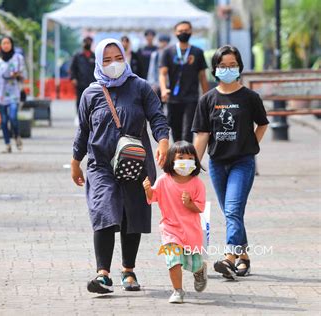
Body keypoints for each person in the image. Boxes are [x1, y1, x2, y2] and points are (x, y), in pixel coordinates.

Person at [71, 38, 169, 294]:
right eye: (106, 59)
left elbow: (157, 117)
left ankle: (128, 270)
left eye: (117, 58)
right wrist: (75, 163)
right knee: (104, 210)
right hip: (100, 163)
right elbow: (83, 131)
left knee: (130, 214)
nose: (113, 64)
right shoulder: (90, 93)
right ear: (98, 62)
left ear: (125, 58)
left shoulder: (140, 87)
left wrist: (163, 141)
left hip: (135, 161)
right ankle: (102, 274)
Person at [192, 45, 269, 279]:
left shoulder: (250, 98)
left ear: (239, 67)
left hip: (242, 163)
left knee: (233, 210)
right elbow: (203, 135)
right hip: (217, 164)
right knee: (231, 214)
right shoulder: (208, 100)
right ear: (215, 69)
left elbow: (262, 123)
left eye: (232, 65)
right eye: (223, 66)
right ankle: (244, 257)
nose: (227, 69)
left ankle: (228, 258)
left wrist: (251, 145)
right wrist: (192, 166)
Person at [143, 141, 207, 303]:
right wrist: (148, 190)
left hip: (191, 231)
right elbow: (153, 198)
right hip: (170, 230)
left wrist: (189, 203)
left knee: (194, 263)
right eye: (181, 157)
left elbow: (200, 208)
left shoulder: (197, 183)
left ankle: (200, 270)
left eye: (190, 157)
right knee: (173, 261)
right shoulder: (164, 180)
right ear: (172, 159)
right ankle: (178, 291)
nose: (185, 161)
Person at [159, 21, 209, 143]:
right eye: (180, 31)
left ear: (191, 31)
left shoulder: (197, 52)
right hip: (173, 98)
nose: (183, 33)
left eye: (186, 30)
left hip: (191, 98)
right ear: (175, 33)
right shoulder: (168, 52)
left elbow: (202, 76)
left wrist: (207, 96)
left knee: (188, 132)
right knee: (175, 131)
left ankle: (188, 159)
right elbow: (163, 74)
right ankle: (178, 158)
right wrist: (164, 89)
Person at [0, 36, 25, 153]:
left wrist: (18, 75)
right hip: (0, 94)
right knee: (4, 121)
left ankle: (17, 136)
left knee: (13, 117)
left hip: (14, 92)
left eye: (8, 43)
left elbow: (23, 74)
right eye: (3, 43)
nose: (6, 45)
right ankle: (7, 144)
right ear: (0, 45)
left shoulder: (18, 58)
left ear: (12, 44)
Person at [70, 36, 96, 115]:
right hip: (80, 83)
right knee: (80, 100)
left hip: (92, 83)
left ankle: (91, 116)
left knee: (92, 101)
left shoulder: (94, 56)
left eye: (89, 42)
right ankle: (79, 116)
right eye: (86, 42)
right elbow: (72, 68)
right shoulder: (77, 56)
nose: (87, 43)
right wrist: (73, 78)